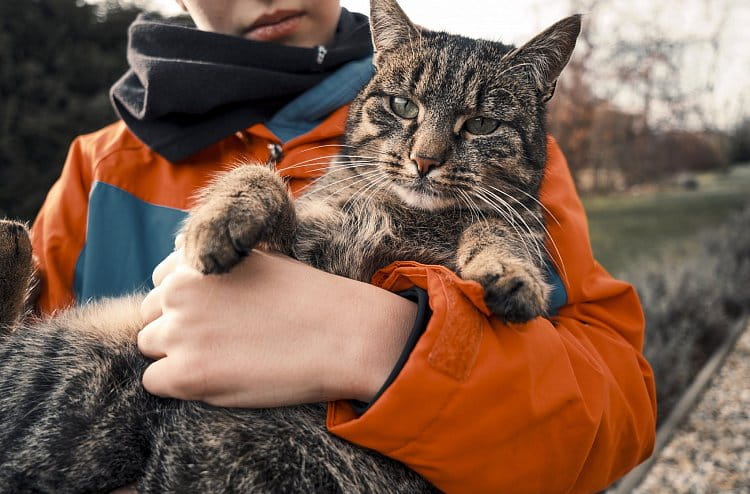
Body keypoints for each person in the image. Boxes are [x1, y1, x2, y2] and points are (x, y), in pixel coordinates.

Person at [30, 0, 657, 492]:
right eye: (407, 112)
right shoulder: (97, 168)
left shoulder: (517, 204)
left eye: (481, 125)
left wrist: (384, 346)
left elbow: (620, 411)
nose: (427, 154)